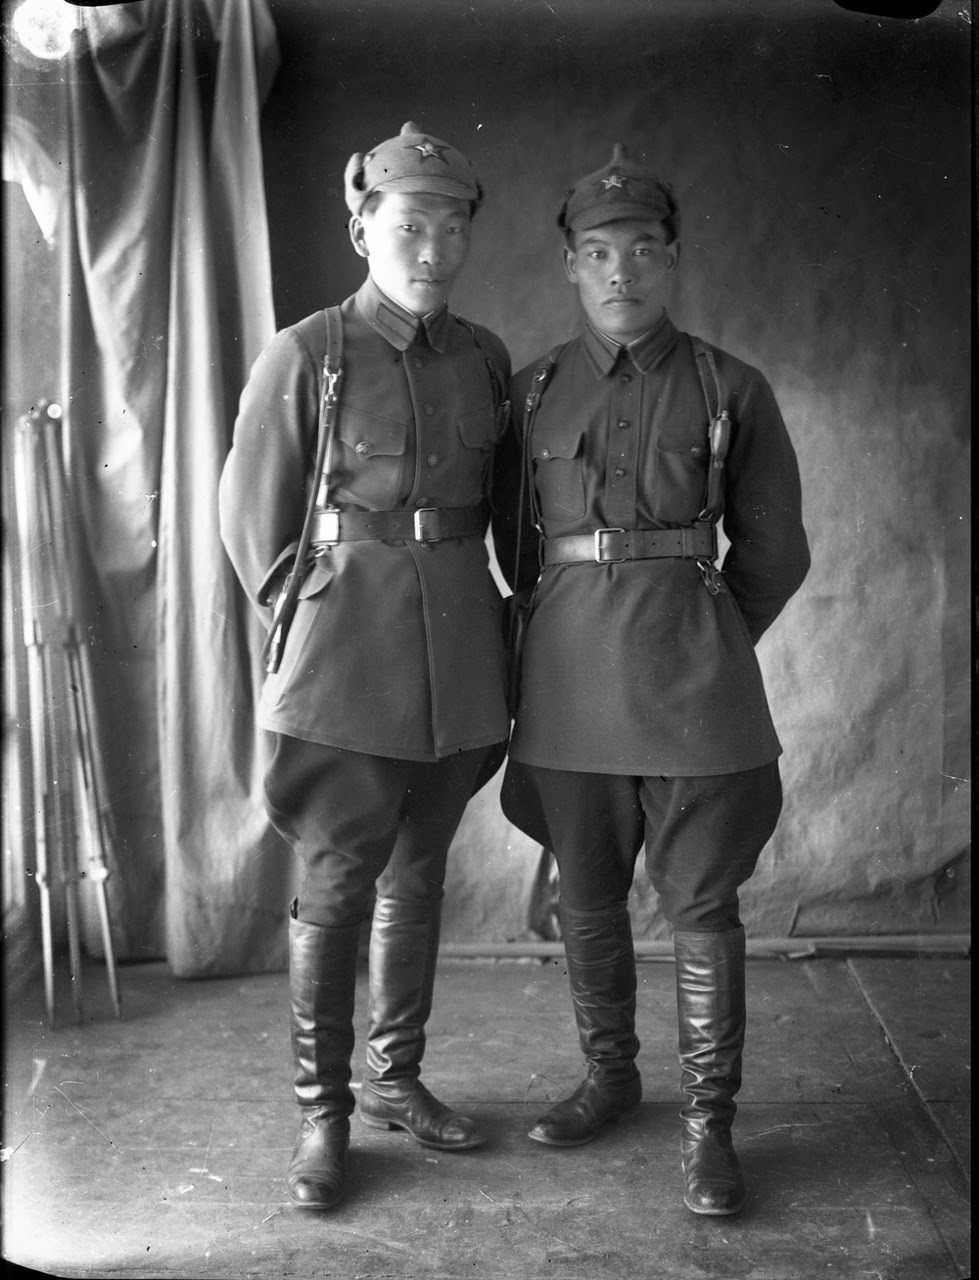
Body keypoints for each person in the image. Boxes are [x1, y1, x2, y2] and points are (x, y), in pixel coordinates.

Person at [492, 144, 810, 1216]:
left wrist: (706, 634)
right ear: (571, 267)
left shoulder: (730, 385)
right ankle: (609, 1077)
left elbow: (773, 551)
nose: (618, 271)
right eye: (596, 253)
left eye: (639, 250)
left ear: (670, 259)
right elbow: (513, 543)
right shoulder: (531, 390)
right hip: (568, 681)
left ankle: (707, 1122)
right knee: (586, 893)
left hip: (691, 686)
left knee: (703, 903)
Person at [218, 122, 510, 1211]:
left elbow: (506, 514)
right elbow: (251, 522)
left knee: (417, 871)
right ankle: (322, 1112)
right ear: (362, 230)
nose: (430, 247)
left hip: (458, 658)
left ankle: (395, 1079)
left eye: (450, 227)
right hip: (346, 658)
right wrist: (318, 616)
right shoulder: (310, 351)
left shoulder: (482, 356)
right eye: (407, 225)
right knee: (338, 882)